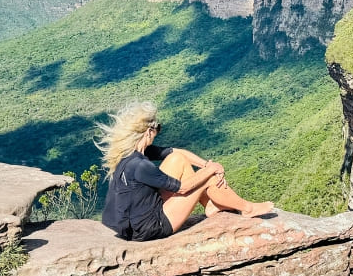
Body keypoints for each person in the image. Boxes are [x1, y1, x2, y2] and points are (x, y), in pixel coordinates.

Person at [97, 101, 274, 241]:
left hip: (137, 221)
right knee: (208, 179)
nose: (158, 132)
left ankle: (211, 205)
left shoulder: (132, 156)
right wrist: (211, 170)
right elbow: (182, 188)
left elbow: (176, 152)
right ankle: (246, 208)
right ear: (148, 132)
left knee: (178, 160)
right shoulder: (141, 166)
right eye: (157, 128)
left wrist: (205, 164)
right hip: (151, 226)